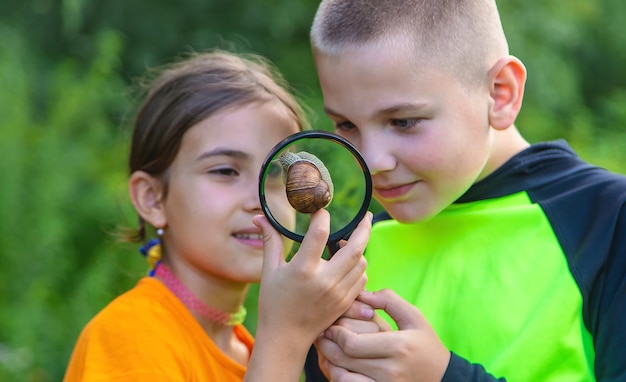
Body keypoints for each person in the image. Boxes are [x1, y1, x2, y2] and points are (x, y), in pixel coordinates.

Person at [304, 0, 626, 381]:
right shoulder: (354, 247)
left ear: (500, 94)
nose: (371, 161)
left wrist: (442, 376)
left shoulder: (607, 219)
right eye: (345, 124)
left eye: (403, 121)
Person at [63, 50, 372, 382]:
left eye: (275, 175)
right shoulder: (128, 339)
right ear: (152, 198)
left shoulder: (253, 353)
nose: (258, 201)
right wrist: (287, 337)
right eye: (225, 171)